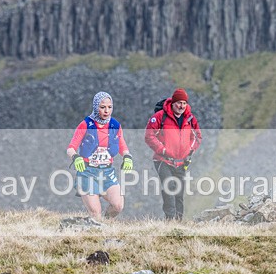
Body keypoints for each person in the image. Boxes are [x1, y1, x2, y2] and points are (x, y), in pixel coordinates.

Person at [67, 91, 134, 220]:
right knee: (95, 213)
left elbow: (122, 146)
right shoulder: (85, 125)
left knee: (118, 206)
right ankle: (97, 230)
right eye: (102, 107)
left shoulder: (115, 125)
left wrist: (127, 156)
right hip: (87, 173)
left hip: (107, 172)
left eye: (109, 107)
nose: (106, 110)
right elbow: (71, 148)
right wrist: (76, 157)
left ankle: (107, 225)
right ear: (96, 106)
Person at [144, 88, 202, 221]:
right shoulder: (160, 117)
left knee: (179, 194)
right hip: (163, 160)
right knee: (169, 189)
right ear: (173, 103)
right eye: (179, 103)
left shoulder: (190, 118)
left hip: (182, 162)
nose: (181, 106)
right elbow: (149, 136)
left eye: (184, 103)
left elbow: (197, 137)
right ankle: (170, 221)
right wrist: (163, 150)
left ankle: (178, 222)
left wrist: (190, 150)